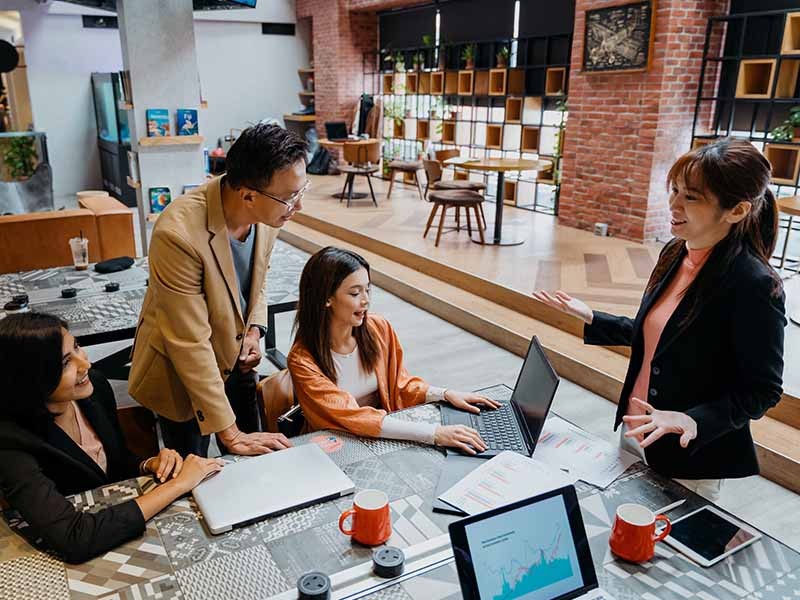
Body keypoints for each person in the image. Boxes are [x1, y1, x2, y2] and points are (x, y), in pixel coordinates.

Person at [533, 138, 785, 501]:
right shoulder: (675, 252)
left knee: (667, 552)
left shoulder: (754, 285)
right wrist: (592, 316)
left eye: (691, 197)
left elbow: (762, 390)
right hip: (637, 429)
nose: (673, 204)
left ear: (737, 210)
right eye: (675, 190)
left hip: (690, 455)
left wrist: (691, 419)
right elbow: (663, 335)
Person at [129, 124, 307, 457]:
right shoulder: (177, 234)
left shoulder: (268, 215)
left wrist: (254, 329)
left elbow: (257, 277)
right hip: (182, 373)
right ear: (249, 196)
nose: (298, 206)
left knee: (254, 462)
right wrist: (230, 434)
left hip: (237, 354)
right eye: (289, 197)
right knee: (192, 466)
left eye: (301, 190)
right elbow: (188, 341)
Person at [0, 313, 224, 564]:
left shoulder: (92, 389)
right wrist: (177, 485)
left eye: (76, 347)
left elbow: (112, 464)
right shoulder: (9, 441)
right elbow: (74, 537)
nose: (85, 364)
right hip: (76, 556)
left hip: (122, 532)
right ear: (31, 378)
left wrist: (148, 463)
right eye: (65, 363)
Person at [287, 247, 500, 454]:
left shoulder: (378, 329)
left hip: (380, 437)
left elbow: (400, 385)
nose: (366, 300)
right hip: (338, 448)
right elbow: (350, 416)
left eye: (367, 289)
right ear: (327, 298)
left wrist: (444, 394)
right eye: (355, 293)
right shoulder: (302, 360)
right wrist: (434, 433)